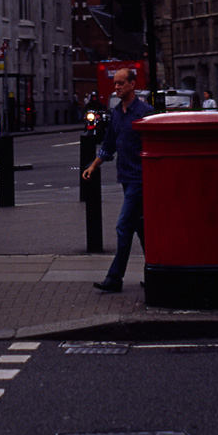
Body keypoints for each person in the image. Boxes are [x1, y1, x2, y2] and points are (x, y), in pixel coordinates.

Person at [82, 66, 154, 294]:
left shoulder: (144, 112)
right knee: (141, 228)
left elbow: (153, 146)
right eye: (115, 84)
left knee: (123, 227)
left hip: (140, 179)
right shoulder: (116, 113)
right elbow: (109, 145)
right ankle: (156, 271)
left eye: (121, 83)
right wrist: (93, 166)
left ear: (132, 85)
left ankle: (115, 278)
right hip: (125, 178)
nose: (116, 87)